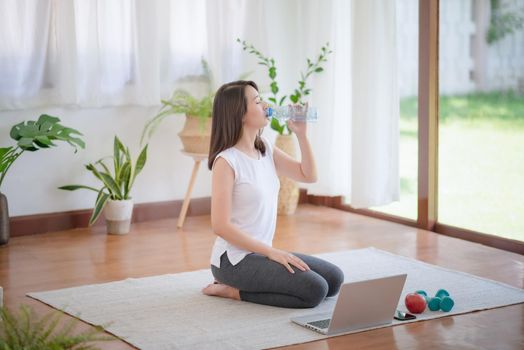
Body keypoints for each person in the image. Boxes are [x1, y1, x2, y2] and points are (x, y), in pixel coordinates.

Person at [202, 80, 344, 308]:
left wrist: (301, 135)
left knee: (334, 279)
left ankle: (260, 273)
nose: (266, 104)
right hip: (234, 260)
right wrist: (272, 252)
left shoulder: (265, 148)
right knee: (315, 291)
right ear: (240, 114)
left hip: (262, 253)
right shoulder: (226, 162)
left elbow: (308, 176)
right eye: (258, 101)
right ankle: (232, 291)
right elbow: (220, 226)